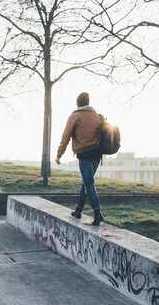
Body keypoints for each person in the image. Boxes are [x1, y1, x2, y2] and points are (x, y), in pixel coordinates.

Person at [55, 92, 105, 226]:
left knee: (88, 183)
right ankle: (78, 210)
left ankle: (97, 212)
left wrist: (59, 154)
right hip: (97, 155)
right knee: (85, 182)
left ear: (77, 103)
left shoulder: (75, 116)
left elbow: (65, 137)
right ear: (88, 102)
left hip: (84, 154)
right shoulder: (96, 116)